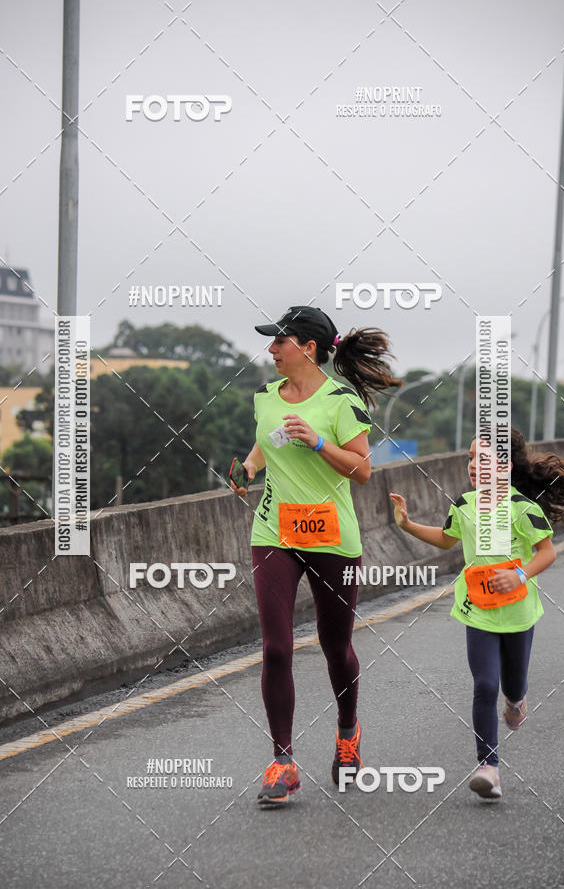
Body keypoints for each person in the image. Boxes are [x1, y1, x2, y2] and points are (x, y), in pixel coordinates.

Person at [230, 305, 402, 804]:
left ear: (308, 348)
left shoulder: (341, 401)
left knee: (335, 646)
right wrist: (247, 470)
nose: (271, 349)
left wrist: (319, 441)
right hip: (275, 533)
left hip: (332, 539)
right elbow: (265, 444)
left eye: (279, 341)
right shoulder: (265, 397)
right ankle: (282, 762)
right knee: (276, 648)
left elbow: (362, 471)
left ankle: (348, 732)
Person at [390, 427, 564, 800]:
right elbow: (446, 538)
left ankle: (517, 701)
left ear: (505, 467)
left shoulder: (523, 509)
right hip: (477, 609)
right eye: (470, 458)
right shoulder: (464, 505)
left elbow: (547, 552)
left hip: (518, 613)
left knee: (512, 685)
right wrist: (407, 524)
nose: (473, 465)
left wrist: (520, 575)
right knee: (485, 684)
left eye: (483, 458)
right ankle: (488, 767)